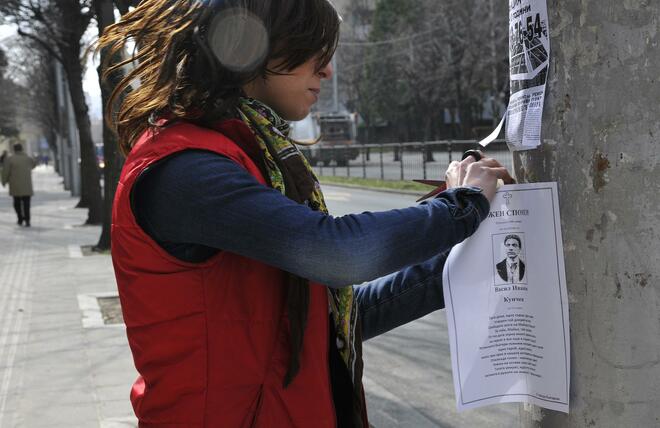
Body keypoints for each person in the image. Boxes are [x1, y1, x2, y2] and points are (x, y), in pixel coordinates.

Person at [99, 1, 513, 426]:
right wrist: (460, 205)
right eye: (314, 52)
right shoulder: (186, 169)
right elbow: (338, 253)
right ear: (253, 49)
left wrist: (464, 259)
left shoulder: (251, 155)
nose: (327, 71)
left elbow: (329, 322)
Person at [1, 144, 36, 227]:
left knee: (17, 203)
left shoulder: (10, 159)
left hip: (15, 184)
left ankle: (20, 218)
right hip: (27, 185)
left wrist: (4, 181)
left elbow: (5, 171)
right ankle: (27, 220)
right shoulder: (28, 158)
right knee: (26, 203)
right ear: (22, 149)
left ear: (14, 150)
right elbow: (33, 165)